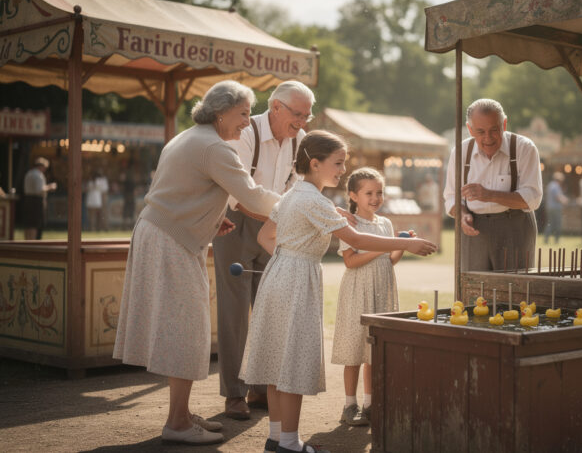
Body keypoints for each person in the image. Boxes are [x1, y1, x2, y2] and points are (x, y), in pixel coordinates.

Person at [239, 130, 436, 453]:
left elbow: (265, 236)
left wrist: (290, 257)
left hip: (279, 275)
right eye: (338, 163)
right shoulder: (312, 199)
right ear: (315, 164)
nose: (343, 170)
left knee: (277, 361)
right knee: (291, 361)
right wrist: (407, 243)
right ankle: (290, 444)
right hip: (297, 279)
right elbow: (357, 241)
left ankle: (277, 439)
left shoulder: (293, 194)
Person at [113, 80, 281, 445]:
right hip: (170, 239)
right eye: (243, 114)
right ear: (221, 112)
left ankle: (183, 414)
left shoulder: (192, 137)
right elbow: (250, 194)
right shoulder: (215, 148)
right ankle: (176, 422)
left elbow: (182, 187)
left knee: (186, 326)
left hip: (163, 232)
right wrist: (295, 205)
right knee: (187, 329)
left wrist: (210, 215)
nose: (246, 122)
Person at [212, 80, 336, 421]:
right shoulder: (247, 131)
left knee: (272, 307)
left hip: (275, 225)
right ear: (276, 107)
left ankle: (260, 387)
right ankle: (234, 394)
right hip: (236, 222)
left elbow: (299, 188)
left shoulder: (300, 141)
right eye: (297, 114)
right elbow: (239, 192)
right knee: (235, 311)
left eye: (307, 115)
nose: (303, 122)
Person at [332, 167, 403, 427]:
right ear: (353, 195)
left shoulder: (385, 224)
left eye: (379, 192)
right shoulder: (349, 223)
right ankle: (349, 405)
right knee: (354, 350)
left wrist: (400, 246)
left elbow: (389, 261)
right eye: (368, 193)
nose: (375, 198)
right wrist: (381, 247)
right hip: (357, 290)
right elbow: (350, 262)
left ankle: (371, 404)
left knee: (373, 351)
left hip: (380, 289)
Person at [442, 99, 543, 271]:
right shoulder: (460, 152)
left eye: (494, 130)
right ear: (470, 129)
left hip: (515, 228)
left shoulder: (524, 148)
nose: (488, 138)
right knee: (474, 290)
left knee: (515, 290)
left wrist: (489, 195)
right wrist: (462, 214)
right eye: (480, 131)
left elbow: (532, 199)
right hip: (474, 230)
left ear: (504, 124)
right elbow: (451, 197)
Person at [22, 157, 56, 240]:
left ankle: (27, 242)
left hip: (27, 199)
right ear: (42, 166)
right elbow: (39, 189)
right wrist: (50, 187)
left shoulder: (29, 173)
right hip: (36, 201)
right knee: (35, 223)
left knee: (28, 223)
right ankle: (33, 242)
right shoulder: (39, 175)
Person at [544, 172, 567, 244]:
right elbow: (558, 197)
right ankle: (556, 240)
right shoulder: (556, 186)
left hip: (549, 207)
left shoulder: (550, 185)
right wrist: (565, 200)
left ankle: (546, 239)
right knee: (558, 224)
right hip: (556, 208)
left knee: (550, 223)